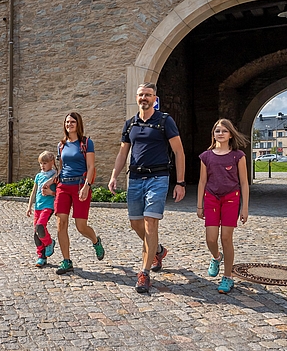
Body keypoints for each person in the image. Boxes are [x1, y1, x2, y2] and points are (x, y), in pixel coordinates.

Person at [109, 83, 186, 293]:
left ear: (154, 98)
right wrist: (114, 176)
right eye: (141, 94)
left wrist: (180, 182)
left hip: (158, 177)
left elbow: (179, 152)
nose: (144, 98)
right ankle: (158, 250)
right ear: (137, 97)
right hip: (135, 178)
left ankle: (144, 273)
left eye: (148, 95)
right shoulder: (130, 124)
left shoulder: (165, 121)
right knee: (135, 224)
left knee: (150, 223)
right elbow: (123, 153)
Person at [197, 118, 249, 294]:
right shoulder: (206, 156)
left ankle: (227, 277)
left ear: (230, 134)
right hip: (211, 198)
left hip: (231, 199)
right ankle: (216, 257)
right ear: (213, 134)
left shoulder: (238, 156)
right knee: (211, 239)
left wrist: (245, 208)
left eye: (224, 131)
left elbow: (244, 183)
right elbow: (202, 181)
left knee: (226, 238)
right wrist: (199, 205)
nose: (220, 133)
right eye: (217, 130)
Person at [53, 112, 105, 275]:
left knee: (81, 226)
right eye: (67, 122)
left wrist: (87, 186)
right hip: (63, 186)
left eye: (72, 122)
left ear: (78, 124)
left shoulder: (86, 143)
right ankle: (66, 261)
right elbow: (61, 167)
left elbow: (91, 167)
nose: (69, 124)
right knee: (61, 223)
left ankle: (95, 241)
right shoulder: (61, 145)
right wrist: (51, 183)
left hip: (80, 185)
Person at [26, 151, 58, 267]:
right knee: (36, 233)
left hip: (48, 206)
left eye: (45, 163)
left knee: (40, 226)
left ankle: (49, 242)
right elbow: (34, 192)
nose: (42, 166)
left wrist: (51, 192)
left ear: (52, 162)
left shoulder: (55, 176)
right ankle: (41, 257)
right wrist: (29, 206)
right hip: (38, 207)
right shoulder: (38, 176)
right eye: (41, 163)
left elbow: (59, 193)